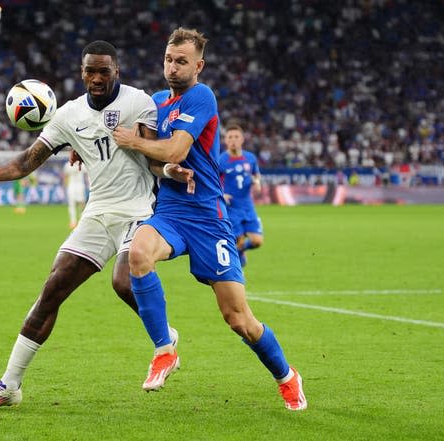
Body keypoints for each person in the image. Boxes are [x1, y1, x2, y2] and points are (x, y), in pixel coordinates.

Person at [0, 40, 183, 413]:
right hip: (97, 214)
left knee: (123, 282)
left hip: (138, 210)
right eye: (89, 71)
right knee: (52, 290)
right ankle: (9, 386)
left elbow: (154, 156)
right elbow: (28, 161)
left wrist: (171, 169)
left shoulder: (139, 102)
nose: (96, 78)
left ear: (116, 72)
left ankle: (163, 336)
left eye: (103, 71)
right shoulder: (67, 115)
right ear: (81, 73)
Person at [112, 27, 307, 411]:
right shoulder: (155, 102)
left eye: (181, 61)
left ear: (198, 65)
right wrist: (166, 172)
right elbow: (157, 161)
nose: (172, 67)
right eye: (168, 59)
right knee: (138, 254)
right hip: (170, 210)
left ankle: (286, 376)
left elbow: (175, 148)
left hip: (208, 219)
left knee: (238, 319)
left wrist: (138, 144)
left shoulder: (202, 96)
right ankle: (165, 350)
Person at [218, 122, 263, 267]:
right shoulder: (220, 161)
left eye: (236, 137)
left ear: (242, 139)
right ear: (225, 140)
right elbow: (212, 183)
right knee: (236, 242)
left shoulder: (250, 158)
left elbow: (256, 174)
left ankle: (241, 251)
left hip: (247, 205)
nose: (233, 140)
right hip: (231, 208)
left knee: (257, 241)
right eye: (230, 137)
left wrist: (257, 183)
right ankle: (238, 275)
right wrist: (221, 195)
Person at [63, 160, 88, 228]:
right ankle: (73, 222)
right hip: (71, 186)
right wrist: (65, 186)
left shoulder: (82, 165)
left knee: (82, 204)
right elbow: (65, 176)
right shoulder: (68, 165)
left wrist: (88, 185)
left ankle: (82, 221)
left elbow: (86, 175)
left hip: (80, 185)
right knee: (72, 204)